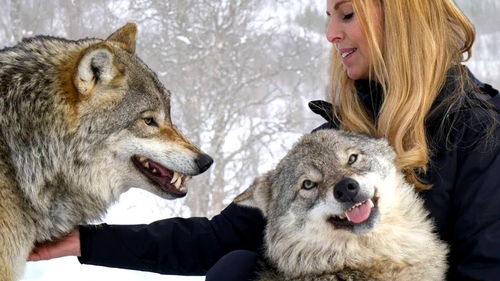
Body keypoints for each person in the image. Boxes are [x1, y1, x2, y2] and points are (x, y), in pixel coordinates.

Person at [29, 0, 500, 280]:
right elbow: (221, 236)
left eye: (348, 14)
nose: (332, 34)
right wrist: (85, 242)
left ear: (401, 17)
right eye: (329, 17)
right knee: (236, 267)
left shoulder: (480, 133)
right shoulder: (336, 134)